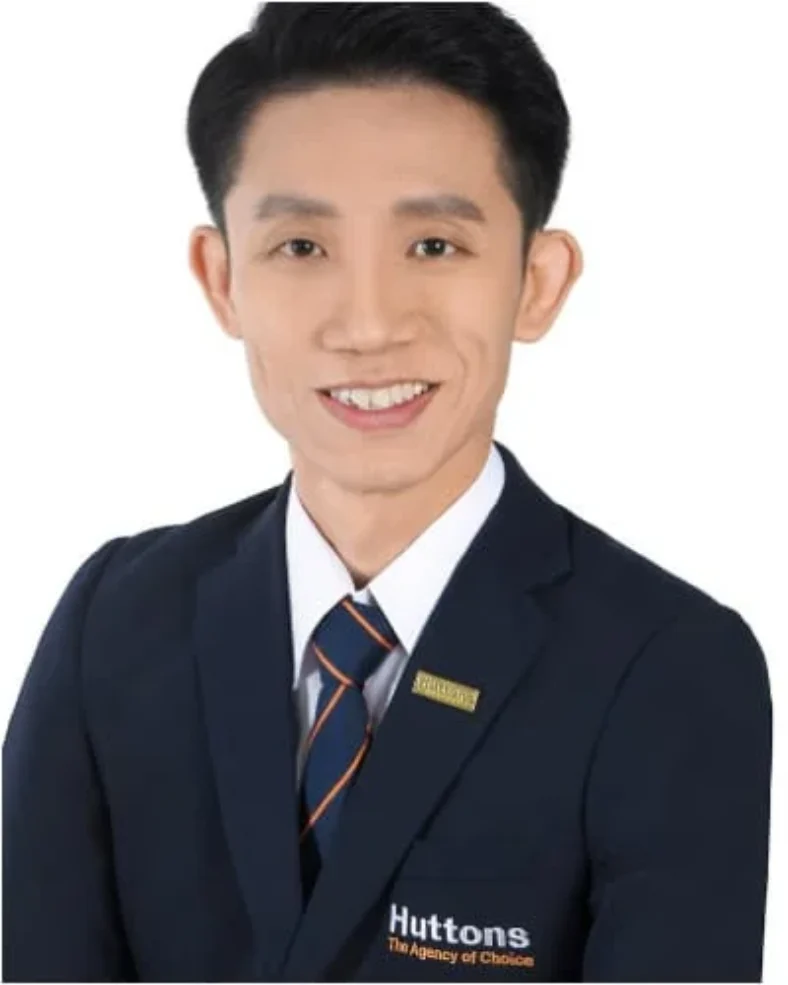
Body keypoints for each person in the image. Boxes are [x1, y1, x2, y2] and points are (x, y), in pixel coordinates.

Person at [2, 3, 772, 982]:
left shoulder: (668, 665)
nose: (368, 325)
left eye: (433, 246)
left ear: (536, 280)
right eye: (301, 247)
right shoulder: (115, 620)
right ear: (221, 278)